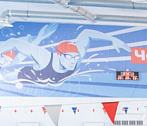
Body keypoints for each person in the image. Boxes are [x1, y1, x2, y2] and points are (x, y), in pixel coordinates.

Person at [0, 26, 129, 84]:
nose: (73, 61)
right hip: (29, 75)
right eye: (69, 57)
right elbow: (13, 42)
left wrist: (112, 38)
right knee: (8, 75)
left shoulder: (77, 59)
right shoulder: (45, 57)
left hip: (49, 80)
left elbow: (86, 33)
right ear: (59, 55)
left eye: (75, 57)